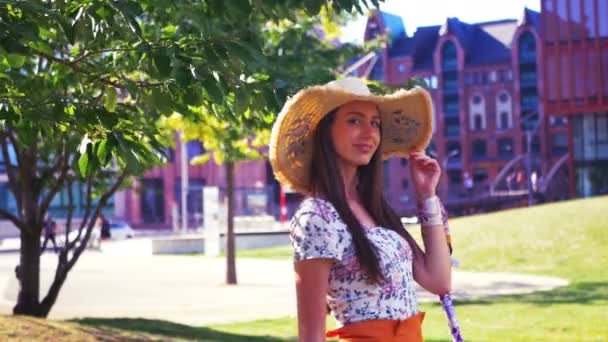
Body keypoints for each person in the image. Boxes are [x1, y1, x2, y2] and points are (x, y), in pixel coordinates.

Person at [269, 77, 452, 341]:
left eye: (375, 123)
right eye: (354, 120)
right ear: (326, 130)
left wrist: (427, 196)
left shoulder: (376, 210)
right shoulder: (316, 217)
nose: (369, 133)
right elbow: (311, 334)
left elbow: (439, 280)